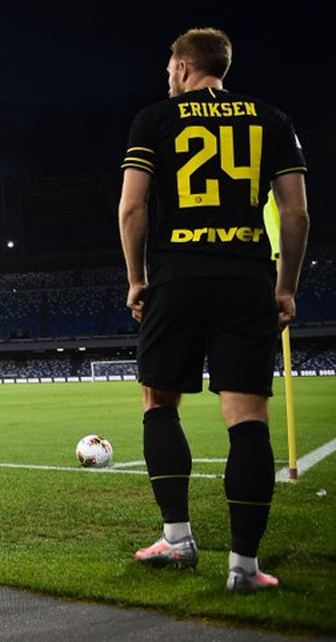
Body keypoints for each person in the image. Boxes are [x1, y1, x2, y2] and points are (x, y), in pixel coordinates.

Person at [118, 28, 309, 593]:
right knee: (248, 418)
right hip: (246, 278)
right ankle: (244, 569)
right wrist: (285, 288)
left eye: (168, 69)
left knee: (159, 401)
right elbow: (296, 216)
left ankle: (176, 541)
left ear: (181, 67)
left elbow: (132, 209)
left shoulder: (154, 119)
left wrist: (137, 279)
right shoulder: (272, 119)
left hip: (175, 278)